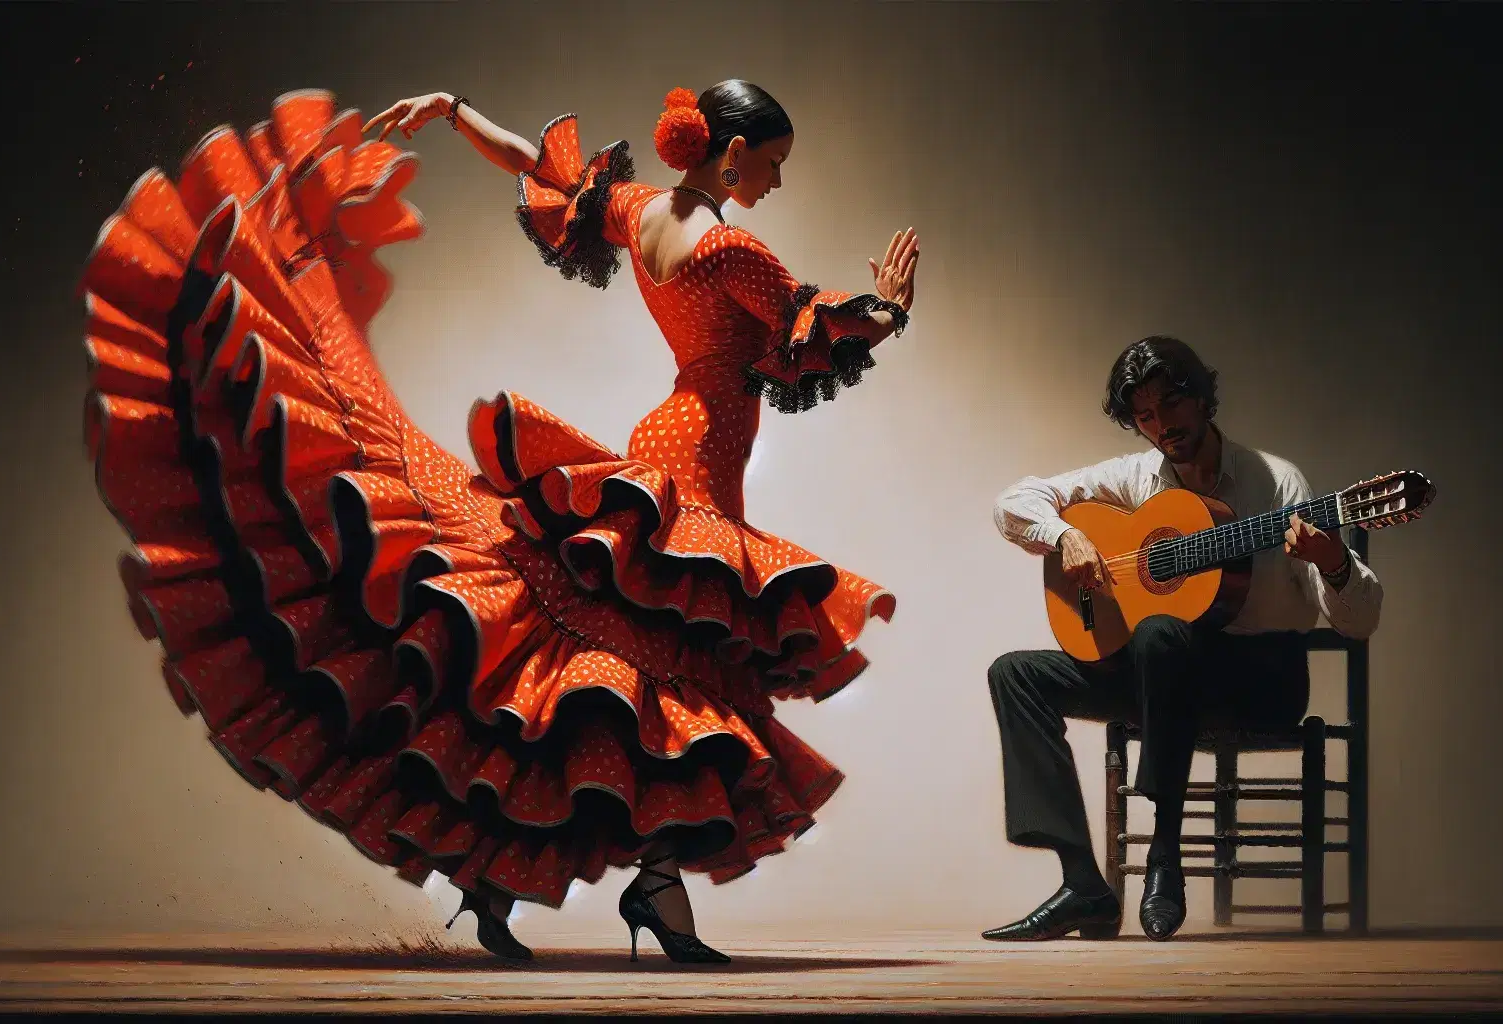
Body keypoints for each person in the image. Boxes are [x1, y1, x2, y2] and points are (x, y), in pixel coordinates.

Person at [78, 82, 918, 965]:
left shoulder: (642, 212)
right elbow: (809, 327)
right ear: (734, 153)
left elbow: (537, 166)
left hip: (671, 436)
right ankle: (649, 887)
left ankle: (501, 872)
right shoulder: (736, 249)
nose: (776, 184)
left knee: (604, 671)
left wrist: (453, 113)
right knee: (675, 678)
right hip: (697, 455)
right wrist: (892, 309)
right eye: (773, 165)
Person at [981, 335, 1382, 942]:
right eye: (1144, 415)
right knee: (1016, 674)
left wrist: (1333, 562)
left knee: (1160, 634)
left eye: (1172, 404)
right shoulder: (1138, 477)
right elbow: (1012, 501)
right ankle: (1084, 885)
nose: (1161, 424)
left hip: (1259, 679)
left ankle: (1163, 853)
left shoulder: (1277, 484)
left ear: (1202, 397)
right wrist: (1062, 535)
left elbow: (1360, 621)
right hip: (1161, 673)